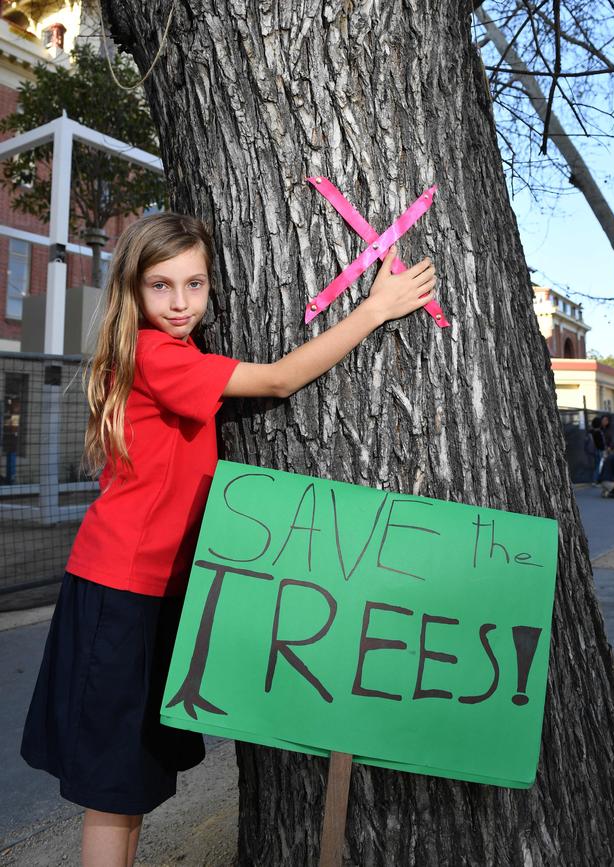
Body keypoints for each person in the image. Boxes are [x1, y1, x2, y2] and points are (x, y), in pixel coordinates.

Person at [20, 212, 436, 867]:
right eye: (161, 286)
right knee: (111, 780)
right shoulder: (158, 355)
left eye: (195, 283)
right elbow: (277, 379)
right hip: (122, 588)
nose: (181, 302)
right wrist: (376, 308)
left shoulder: (180, 352)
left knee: (131, 775)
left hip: (159, 587)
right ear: (132, 290)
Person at [587, 416, 607, 486]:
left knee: (596, 465)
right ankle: (595, 481)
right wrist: (604, 450)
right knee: (598, 466)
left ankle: (594, 480)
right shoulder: (598, 432)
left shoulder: (591, 432)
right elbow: (601, 444)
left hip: (593, 450)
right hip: (599, 451)